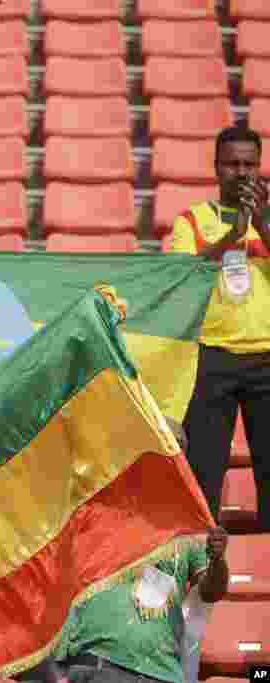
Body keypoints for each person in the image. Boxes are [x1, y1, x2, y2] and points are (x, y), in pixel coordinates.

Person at [169, 125, 270, 531]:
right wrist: (235, 231)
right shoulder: (190, 221)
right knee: (204, 471)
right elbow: (186, 275)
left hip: (267, 357)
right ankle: (202, 571)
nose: (241, 172)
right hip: (211, 357)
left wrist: (261, 225)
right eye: (232, 164)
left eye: (249, 164)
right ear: (216, 168)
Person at [52, 525, 229, 683]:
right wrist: (58, 672)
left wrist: (217, 560)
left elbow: (211, 592)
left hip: (159, 670)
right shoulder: (92, 516)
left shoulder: (183, 534)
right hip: (95, 663)